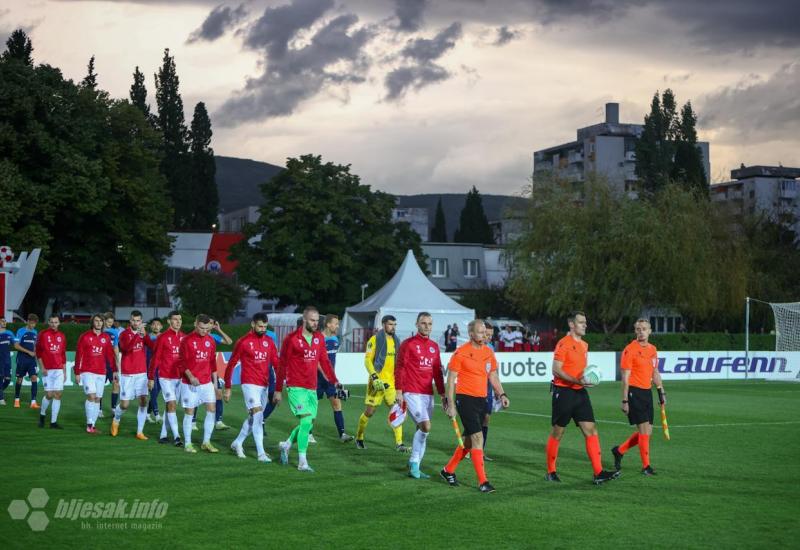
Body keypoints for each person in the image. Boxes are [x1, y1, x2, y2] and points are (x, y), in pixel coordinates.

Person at [545, 311, 617, 485]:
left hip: (580, 392)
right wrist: (578, 380)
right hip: (563, 392)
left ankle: (598, 473)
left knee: (591, 429)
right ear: (572, 324)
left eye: (585, 322)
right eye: (581, 322)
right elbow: (557, 370)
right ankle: (550, 471)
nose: (585, 325)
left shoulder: (584, 345)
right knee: (558, 432)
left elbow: (583, 371)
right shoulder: (564, 344)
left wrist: (587, 380)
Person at [440, 319, 510, 493]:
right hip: (465, 400)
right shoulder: (461, 353)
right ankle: (483, 482)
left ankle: (447, 470)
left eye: (485, 331)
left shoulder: (488, 352)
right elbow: (450, 380)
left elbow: (493, 376)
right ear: (471, 334)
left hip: (482, 400)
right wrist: (450, 404)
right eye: (480, 332)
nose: (484, 334)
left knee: (469, 442)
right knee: (478, 438)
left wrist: (502, 394)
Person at [275, 306, 343, 472]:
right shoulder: (291, 339)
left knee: (307, 423)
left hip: (311, 387)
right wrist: (278, 390)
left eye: (317, 321)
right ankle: (302, 462)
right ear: (304, 320)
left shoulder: (319, 338)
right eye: (312, 320)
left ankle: (287, 445)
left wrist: (334, 380)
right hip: (296, 387)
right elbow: (282, 365)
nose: (315, 323)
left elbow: (325, 362)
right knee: (306, 421)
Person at [612, 319, 666, 476]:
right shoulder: (629, 350)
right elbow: (625, 378)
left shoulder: (653, 350)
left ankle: (619, 450)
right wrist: (624, 400)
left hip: (647, 392)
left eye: (644, 329)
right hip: (634, 392)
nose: (641, 331)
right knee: (643, 431)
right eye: (638, 329)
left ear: (650, 331)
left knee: (648, 432)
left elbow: (655, 372)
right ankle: (646, 466)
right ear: (635, 331)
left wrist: (661, 390)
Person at [224, 313, 281, 463]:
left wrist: (280, 385)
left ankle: (237, 443)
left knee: (254, 418)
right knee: (257, 416)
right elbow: (231, 364)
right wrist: (228, 387)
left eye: (265, 326)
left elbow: (276, 363)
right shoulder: (243, 342)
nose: (263, 329)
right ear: (253, 324)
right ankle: (261, 453)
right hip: (249, 383)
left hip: (264, 385)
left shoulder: (269, 341)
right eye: (260, 326)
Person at [395, 312, 445, 479]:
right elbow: (400, 367)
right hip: (411, 391)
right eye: (423, 323)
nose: (427, 326)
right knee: (426, 426)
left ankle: (414, 464)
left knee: (422, 429)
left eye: (429, 324)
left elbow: (437, 372)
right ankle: (415, 463)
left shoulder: (434, 346)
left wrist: (443, 394)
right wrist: (399, 390)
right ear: (416, 324)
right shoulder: (408, 344)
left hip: (427, 394)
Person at [355, 315, 407, 452]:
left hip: (391, 384)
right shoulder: (374, 340)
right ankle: (359, 437)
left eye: (395, 324)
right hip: (376, 383)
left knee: (397, 411)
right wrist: (374, 377)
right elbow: (367, 361)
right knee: (369, 412)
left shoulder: (397, 342)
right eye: (390, 324)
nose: (393, 327)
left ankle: (399, 444)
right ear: (384, 325)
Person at [179, 314, 220, 454]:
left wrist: (215, 384)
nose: (204, 331)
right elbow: (181, 362)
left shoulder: (210, 340)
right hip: (189, 383)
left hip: (206, 382)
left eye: (206, 328)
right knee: (189, 412)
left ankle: (206, 442)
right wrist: (190, 376)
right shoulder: (186, 340)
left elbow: (212, 362)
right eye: (201, 328)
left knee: (212, 409)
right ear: (195, 324)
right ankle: (188, 444)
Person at [111, 310, 155, 440]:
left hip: (141, 373)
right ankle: (116, 419)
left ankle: (139, 432)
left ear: (141, 321)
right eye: (133, 320)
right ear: (130, 321)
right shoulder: (124, 334)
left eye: (138, 321)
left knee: (143, 401)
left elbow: (152, 346)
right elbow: (125, 349)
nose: (136, 323)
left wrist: (145, 336)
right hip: (128, 374)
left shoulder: (143, 334)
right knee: (125, 404)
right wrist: (137, 336)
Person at [314, 314, 354, 442]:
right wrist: (324, 374)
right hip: (316, 379)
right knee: (312, 407)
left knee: (337, 404)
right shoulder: (318, 339)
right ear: (328, 324)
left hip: (330, 380)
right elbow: (316, 361)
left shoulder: (336, 339)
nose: (337, 326)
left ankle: (342, 434)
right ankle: (308, 433)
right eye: (336, 324)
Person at [74, 314, 116, 434]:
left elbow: (110, 355)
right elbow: (78, 355)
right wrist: (77, 372)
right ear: (92, 322)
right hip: (87, 372)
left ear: (103, 323)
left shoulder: (106, 338)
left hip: (101, 372)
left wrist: (114, 370)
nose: (98, 323)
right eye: (96, 321)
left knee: (98, 398)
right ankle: (89, 425)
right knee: (91, 396)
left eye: (101, 321)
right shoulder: (85, 336)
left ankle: (92, 424)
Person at [148, 310, 185, 446]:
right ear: (169, 321)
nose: (178, 322)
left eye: (179, 319)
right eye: (175, 319)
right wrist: (151, 377)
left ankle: (163, 434)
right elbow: (155, 359)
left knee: (171, 407)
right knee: (172, 404)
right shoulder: (162, 338)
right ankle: (176, 437)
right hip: (165, 377)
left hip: (180, 378)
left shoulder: (184, 338)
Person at [191, 318, 232, 431]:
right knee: (195, 397)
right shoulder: (194, 337)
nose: (210, 325)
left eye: (212, 324)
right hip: (198, 371)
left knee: (218, 394)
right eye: (209, 323)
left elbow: (229, 342)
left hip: (211, 371)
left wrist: (219, 330)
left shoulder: (213, 337)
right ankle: (192, 421)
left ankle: (218, 421)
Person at [35, 314, 67, 429]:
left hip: (58, 369)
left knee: (58, 394)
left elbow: (63, 354)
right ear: (49, 322)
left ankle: (53, 422)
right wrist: (42, 367)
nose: (54, 324)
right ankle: (42, 415)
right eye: (52, 322)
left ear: (59, 323)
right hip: (47, 369)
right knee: (49, 395)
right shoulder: (43, 334)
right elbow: (38, 352)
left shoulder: (62, 336)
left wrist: (64, 371)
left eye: (56, 322)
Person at [13, 313, 39, 408]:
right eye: (31, 323)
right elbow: (16, 345)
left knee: (34, 378)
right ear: (27, 321)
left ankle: (33, 402)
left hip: (32, 360)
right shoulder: (20, 331)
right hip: (22, 359)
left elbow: (35, 345)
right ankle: (16, 399)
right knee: (19, 379)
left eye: (34, 324)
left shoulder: (35, 332)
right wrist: (29, 352)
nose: (32, 325)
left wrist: (35, 353)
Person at [101, 312, 122, 418]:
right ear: (103, 320)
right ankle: (99, 409)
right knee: (99, 387)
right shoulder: (99, 331)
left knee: (116, 384)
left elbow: (116, 347)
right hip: (100, 363)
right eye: (108, 321)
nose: (110, 323)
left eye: (112, 321)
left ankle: (113, 408)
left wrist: (117, 362)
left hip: (111, 363)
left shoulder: (115, 332)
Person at [482, 322, 496, 460]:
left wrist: (498, 390)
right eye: (487, 334)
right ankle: (468, 448)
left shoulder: (491, 348)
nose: (489, 337)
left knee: (486, 419)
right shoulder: (473, 347)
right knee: (475, 421)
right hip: (475, 389)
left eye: (491, 335)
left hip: (488, 389)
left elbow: (493, 370)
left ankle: (481, 451)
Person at [145, 317, 163, 423]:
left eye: (158, 324)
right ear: (151, 326)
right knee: (154, 391)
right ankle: (157, 415)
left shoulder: (164, 337)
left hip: (161, 369)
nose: (156, 326)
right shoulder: (148, 338)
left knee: (155, 393)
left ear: (161, 326)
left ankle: (147, 414)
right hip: (150, 368)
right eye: (154, 324)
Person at [0, 317, 14, 405]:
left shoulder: (9, 333)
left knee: (8, 379)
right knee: (0, 378)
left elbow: (16, 344)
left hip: (7, 360)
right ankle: (1, 399)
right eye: (2, 321)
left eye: (5, 321)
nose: (4, 322)